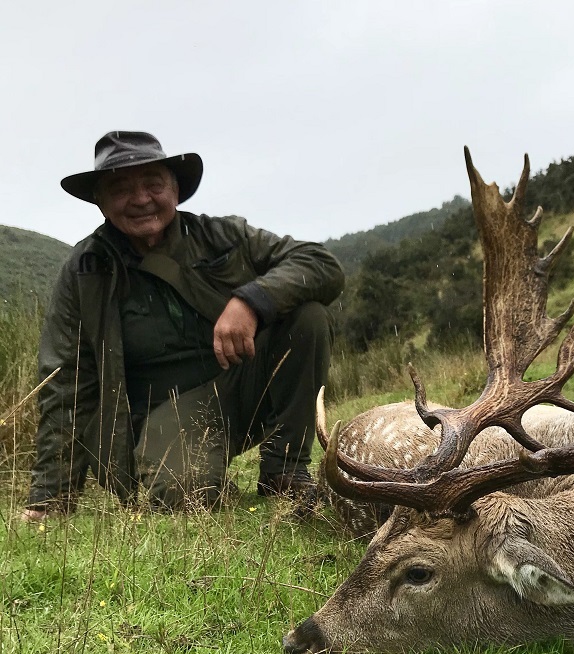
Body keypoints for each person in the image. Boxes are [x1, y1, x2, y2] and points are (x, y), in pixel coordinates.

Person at [22, 131, 345, 522]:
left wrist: (252, 301)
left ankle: (284, 472)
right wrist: (51, 498)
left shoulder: (223, 236)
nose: (141, 199)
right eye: (120, 188)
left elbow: (320, 264)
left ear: (175, 189)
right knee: (183, 493)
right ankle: (193, 473)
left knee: (307, 316)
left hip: (244, 383)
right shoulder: (84, 271)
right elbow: (64, 384)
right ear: (101, 203)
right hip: (166, 411)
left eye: (153, 184)